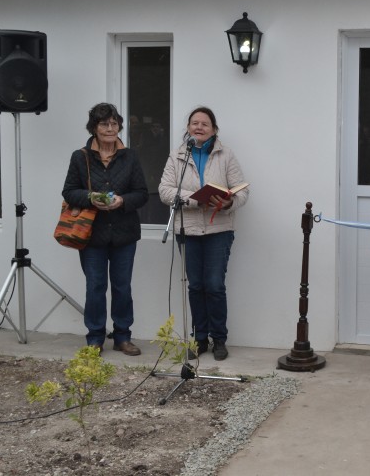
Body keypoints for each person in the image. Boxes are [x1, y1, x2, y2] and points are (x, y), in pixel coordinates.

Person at [159, 107, 249, 361]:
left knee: (214, 285)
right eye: (194, 123)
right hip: (187, 230)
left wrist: (229, 202)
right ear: (188, 128)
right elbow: (165, 191)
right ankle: (199, 339)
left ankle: (219, 339)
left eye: (204, 124)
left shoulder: (226, 155)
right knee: (196, 286)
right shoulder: (178, 155)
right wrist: (195, 199)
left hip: (218, 230)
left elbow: (242, 191)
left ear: (214, 129)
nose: (199, 127)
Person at [62, 103, 149, 356]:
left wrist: (122, 201)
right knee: (95, 287)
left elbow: (142, 193)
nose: (110, 128)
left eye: (114, 123)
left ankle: (123, 337)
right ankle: (95, 338)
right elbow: (69, 191)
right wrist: (90, 198)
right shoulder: (80, 157)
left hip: (124, 233)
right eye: (104, 124)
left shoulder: (130, 156)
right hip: (92, 235)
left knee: (122, 287)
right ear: (94, 128)